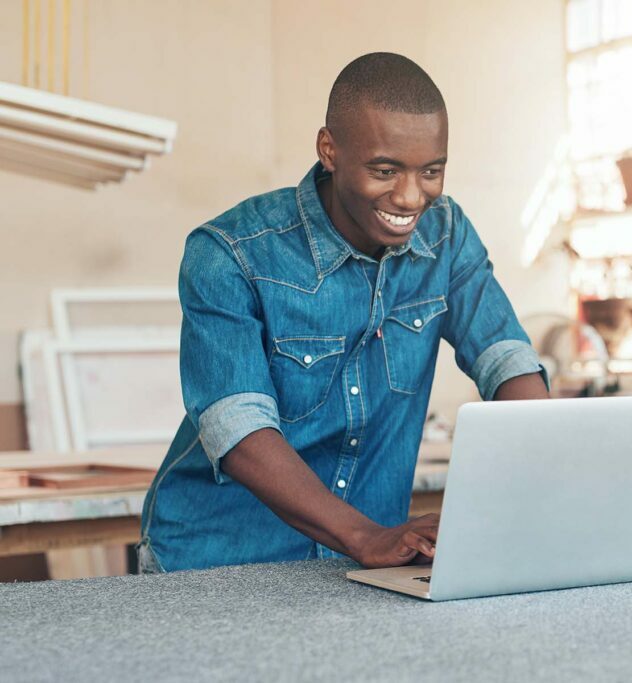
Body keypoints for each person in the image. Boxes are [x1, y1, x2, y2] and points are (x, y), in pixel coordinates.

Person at [139, 53, 549, 573]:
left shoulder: (445, 235)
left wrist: (536, 478)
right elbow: (236, 429)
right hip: (218, 560)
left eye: (431, 171)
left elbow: (506, 360)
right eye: (385, 170)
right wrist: (364, 535)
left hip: (365, 567)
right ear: (329, 150)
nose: (409, 197)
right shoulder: (230, 252)